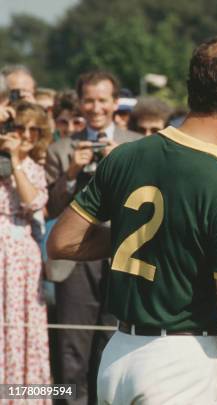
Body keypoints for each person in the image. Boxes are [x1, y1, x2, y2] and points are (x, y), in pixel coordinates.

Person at [46, 37, 217, 405]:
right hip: (179, 363)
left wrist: (136, 233)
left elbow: (62, 242)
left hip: (117, 355)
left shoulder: (125, 156)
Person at [44, 71, 141, 405]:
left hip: (121, 254)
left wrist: (123, 163)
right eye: (89, 100)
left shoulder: (135, 144)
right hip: (74, 257)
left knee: (113, 347)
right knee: (72, 350)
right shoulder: (60, 149)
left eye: (103, 100)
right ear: (79, 102)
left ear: (116, 102)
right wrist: (70, 173)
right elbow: (50, 208)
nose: (96, 108)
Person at [0, 102, 52, 402]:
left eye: (35, 130)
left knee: (22, 322)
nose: (28, 135)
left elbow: (32, 202)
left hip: (21, 249)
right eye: (21, 128)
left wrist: (17, 161)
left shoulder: (34, 168)